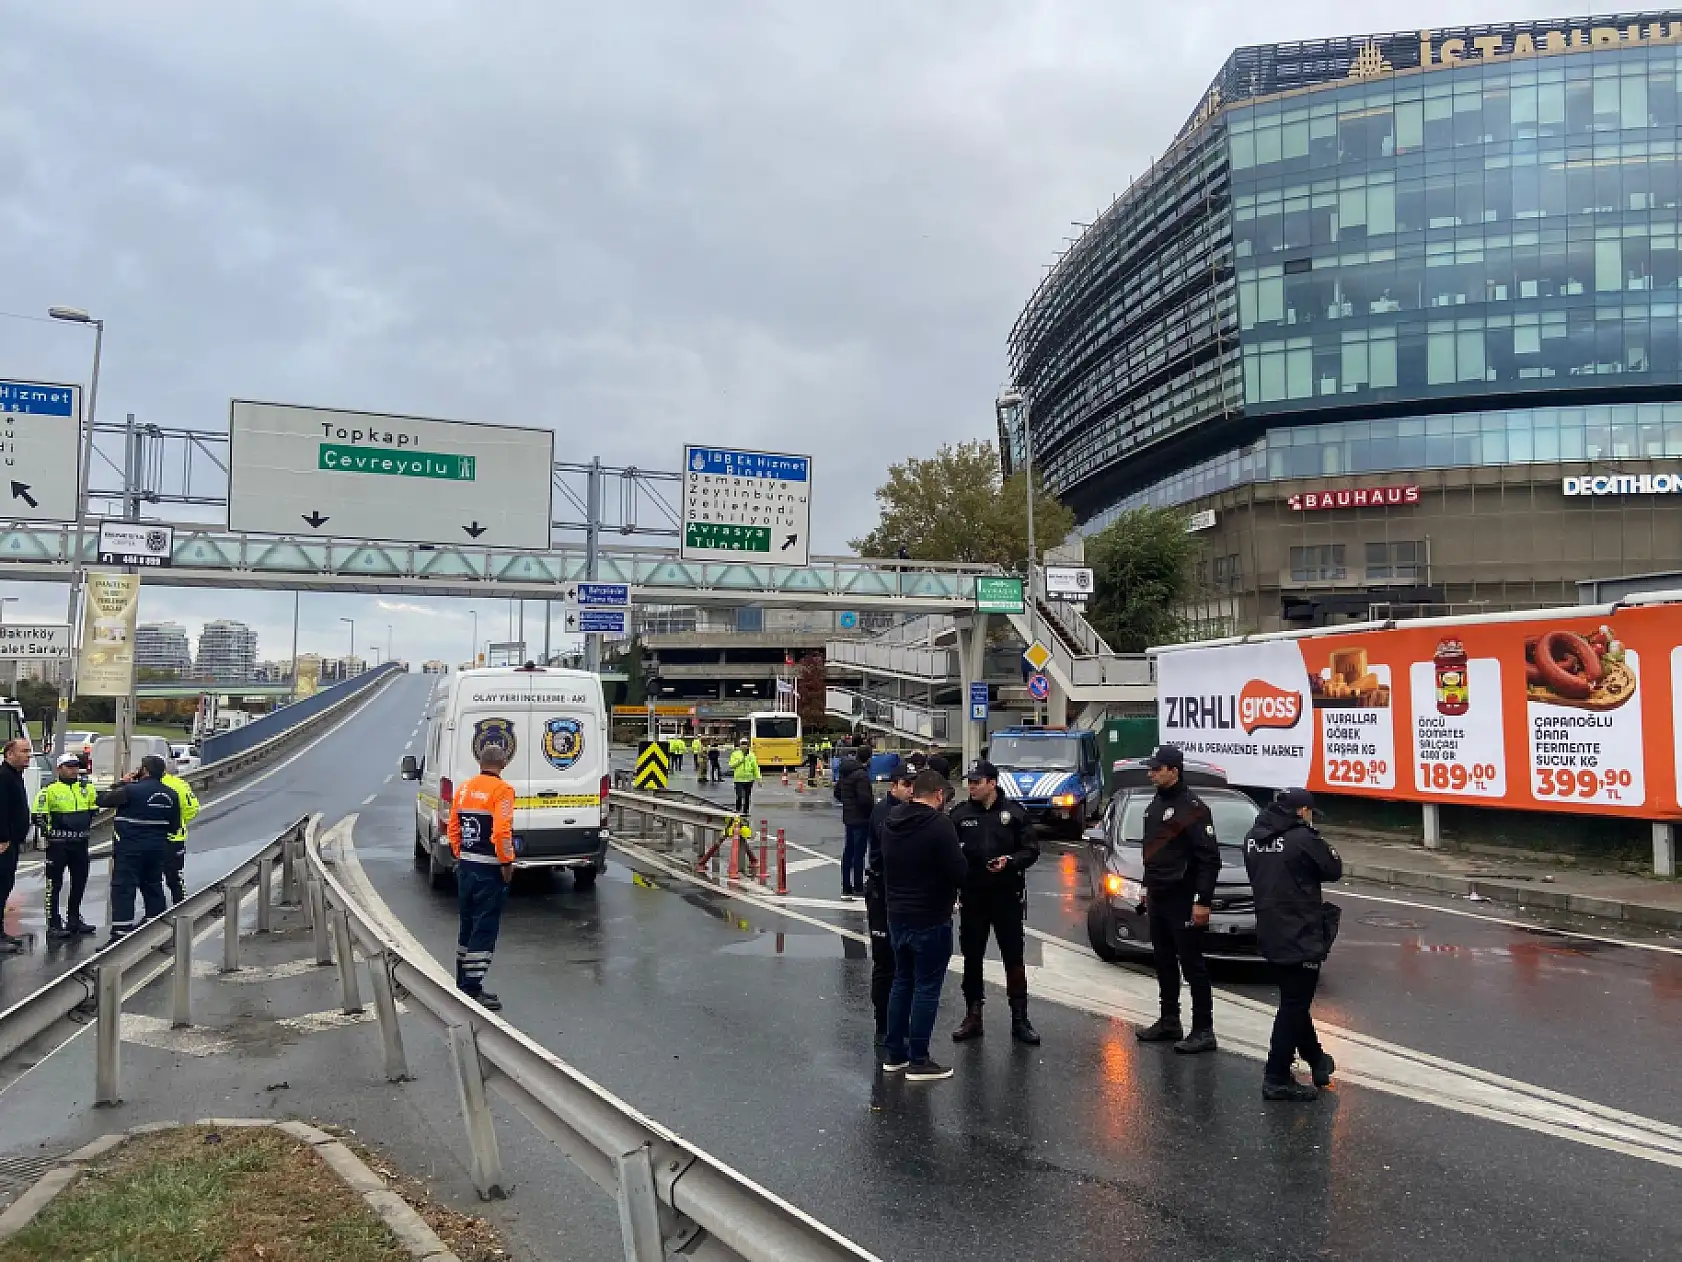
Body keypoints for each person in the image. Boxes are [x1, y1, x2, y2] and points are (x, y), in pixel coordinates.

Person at [1244, 787, 1343, 1102]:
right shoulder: (1303, 839)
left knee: (1293, 1001)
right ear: (1302, 811)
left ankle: (1316, 1060)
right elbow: (1333, 869)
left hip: (1270, 930)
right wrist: (1313, 835)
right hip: (1300, 932)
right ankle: (1276, 1076)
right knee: (1294, 1005)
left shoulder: (1253, 838)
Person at [880, 769, 967, 1082]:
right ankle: (919, 1059)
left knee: (902, 981)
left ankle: (894, 1054)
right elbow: (959, 872)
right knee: (927, 988)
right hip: (931, 915)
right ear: (940, 795)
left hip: (897, 914)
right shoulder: (939, 824)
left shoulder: (891, 821)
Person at [1134, 745, 1221, 1054]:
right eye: (1151, 768)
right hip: (1159, 895)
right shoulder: (1156, 804)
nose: (1151, 773)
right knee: (1163, 960)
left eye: (1157, 769)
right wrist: (1146, 887)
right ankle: (1170, 1020)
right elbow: (1154, 852)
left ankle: (1204, 1029)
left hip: (1183, 898)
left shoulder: (1194, 808)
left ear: (1174, 770)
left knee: (1192, 964)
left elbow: (1209, 860)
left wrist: (1202, 901)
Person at [949, 760, 1041, 1044]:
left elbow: (1031, 850)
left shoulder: (1014, 813)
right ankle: (973, 1015)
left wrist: (1010, 861)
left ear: (992, 782)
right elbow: (949, 854)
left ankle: (1020, 1018)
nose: (971, 787)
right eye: (970, 782)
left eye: (977, 782)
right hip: (973, 897)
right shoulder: (960, 815)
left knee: (1013, 957)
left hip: (1006, 897)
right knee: (972, 958)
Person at [448, 742, 517, 1012]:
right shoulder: (502, 791)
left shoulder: (464, 789)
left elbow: (453, 827)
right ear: (503, 763)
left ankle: (462, 980)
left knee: (467, 925)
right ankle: (472, 988)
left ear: (480, 762)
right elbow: (502, 832)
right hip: (489, 868)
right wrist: (507, 861)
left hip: (466, 866)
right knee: (485, 926)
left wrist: (462, 853)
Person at [97, 754, 182, 943]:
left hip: (130, 848)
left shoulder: (130, 790)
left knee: (124, 888)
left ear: (143, 770)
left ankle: (120, 934)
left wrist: (122, 782)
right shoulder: (171, 794)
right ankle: (157, 929)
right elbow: (174, 826)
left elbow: (101, 800)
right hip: (158, 848)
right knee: (153, 886)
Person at [865, 763, 917, 1044]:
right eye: (906, 784)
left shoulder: (910, 811)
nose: (911, 790)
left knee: (904, 961)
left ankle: (900, 1020)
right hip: (882, 892)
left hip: (904, 895)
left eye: (913, 784)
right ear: (893, 786)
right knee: (885, 961)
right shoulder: (885, 813)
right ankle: (882, 1022)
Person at [35, 753, 98, 937]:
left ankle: (74, 920)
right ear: (59, 769)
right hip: (58, 845)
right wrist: (49, 836)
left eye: (75, 766)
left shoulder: (87, 788)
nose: (73, 770)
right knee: (54, 884)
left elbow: (94, 810)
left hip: (80, 843)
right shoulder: (49, 790)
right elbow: (39, 815)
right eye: (69, 766)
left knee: (79, 882)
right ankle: (54, 923)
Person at [0, 738, 32, 952]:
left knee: (5, 887)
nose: (29, 755)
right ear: (9, 754)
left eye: (29, 751)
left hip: (12, 840)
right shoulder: (4, 777)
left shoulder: (15, 775)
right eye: (24, 751)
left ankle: (1, 933)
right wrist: (2, 838)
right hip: (4, 842)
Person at [834, 752, 875, 898]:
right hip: (861, 818)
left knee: (848, 852)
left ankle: (846, 885)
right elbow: (865, 799)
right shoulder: (861, 775)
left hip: (849, 817)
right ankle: (858, 886)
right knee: (859, 854)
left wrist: (848, 802)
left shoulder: (845, 773)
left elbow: (837, 792)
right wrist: (871, 810)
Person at [161, 765, 201, 906]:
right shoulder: (179, 784)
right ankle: (180, 907)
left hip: (150, 838)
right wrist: (178, 821)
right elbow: (192, 809)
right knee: (174, 876)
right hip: (175, 837)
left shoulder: (141, 785)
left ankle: (156, 912)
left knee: (151, 879)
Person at [729, 738, 761, 815]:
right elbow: (731, 765)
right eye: (742, 744)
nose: (744, 746)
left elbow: (755, 767)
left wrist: (759, 778)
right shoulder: (735, 754)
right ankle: (738, 810)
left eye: (745, 744)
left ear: (748, 745)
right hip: (739, 779)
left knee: (747, 796)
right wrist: (740, 761)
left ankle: (746, 811)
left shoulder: (751, 755)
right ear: (740, 745)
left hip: (749, 779)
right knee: (739, 795)